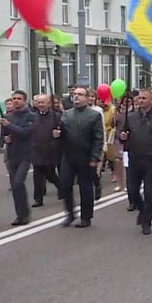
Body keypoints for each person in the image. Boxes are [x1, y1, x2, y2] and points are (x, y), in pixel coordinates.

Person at [119, 89, 152, 235]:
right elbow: (122, 135)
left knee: (149, 193)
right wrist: (122, 136)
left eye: (143, 98)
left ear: (150, 100)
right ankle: (141, 210)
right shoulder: (131, 117)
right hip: (134, 159)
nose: (140, 100)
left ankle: (146, 222)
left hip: (150, 160)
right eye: (139, 98)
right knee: (133, 191)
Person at [53, 86, 104, 228]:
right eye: (75, 94)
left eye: (80, 95)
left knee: (85, 187)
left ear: (88, 98)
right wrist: (57, 135)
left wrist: (95, 158)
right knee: (65, 184)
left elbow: (98, 138)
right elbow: (61, 133)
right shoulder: (66, 114)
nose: (76, 97)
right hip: (68, 156)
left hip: (86, 156)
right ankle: (70, 213)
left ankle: (86, 217)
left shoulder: (94, 115)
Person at [1, 90, 36, 225]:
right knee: (14, 186)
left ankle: (25, 213)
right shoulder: (8, 116)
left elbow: (25, 133)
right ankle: (19, 214)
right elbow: (5, 134)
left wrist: (9, 126)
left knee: (18, 182)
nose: (16, 101)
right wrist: (6, 138)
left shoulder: (31, 116)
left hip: (25, 155)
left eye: (19, 98)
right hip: (12, 154)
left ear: (24, 100)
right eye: (14, 98)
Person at [30, 94, 61, 208]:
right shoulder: (33, 116)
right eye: (38, 102)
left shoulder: (56, 116)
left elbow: (62, 130)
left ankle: (61, 188)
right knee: (37, 175)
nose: (40, 105)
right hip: (37, 150)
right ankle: (38, 199)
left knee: (50, 174)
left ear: (48, 103)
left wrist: (58, 135)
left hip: (50, 150)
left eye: (43, 102)